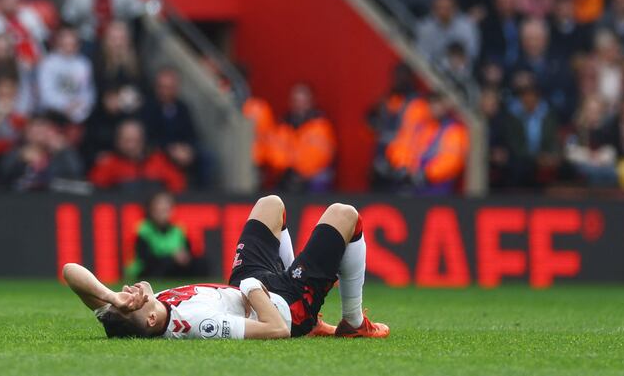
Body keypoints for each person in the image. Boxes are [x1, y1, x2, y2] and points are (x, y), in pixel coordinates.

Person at [63, 195, 390, 339]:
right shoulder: (194, 324)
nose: (128, 293)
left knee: (270, 205)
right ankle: (353, 321)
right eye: (131, 301)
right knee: (345, 215)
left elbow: (70, 271)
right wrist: (251, 288)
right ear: (150, 319)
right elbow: (275, 330)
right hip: (284, 307)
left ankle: (316, 314)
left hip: (249, 284)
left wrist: (111, 298)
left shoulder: (138, 314)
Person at [267, 83, 336, 192]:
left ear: (311, 101)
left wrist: (302, 170)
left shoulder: (320, 125)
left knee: (321, 178)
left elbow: (323, 156)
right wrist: (289, 167)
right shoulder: (283, 125)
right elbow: (275, 154)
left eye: (303, 100)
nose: (299, 104)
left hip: (311, 176)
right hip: (287, 175)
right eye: (296, 100)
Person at [88, 119, 185, 193]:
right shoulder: (109, 163)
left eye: (135, 140)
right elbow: (94, 189)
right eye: (126, 141)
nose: (131, 146)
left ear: (143, 140)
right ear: (117, 142)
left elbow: (178, 185)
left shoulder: (158, 160)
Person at [125, 191, 205, 280]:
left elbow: (187, 250)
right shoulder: (142, 229)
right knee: (164, 265)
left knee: (201, 263)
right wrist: (172, 257)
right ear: (151, 210)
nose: (162, 214)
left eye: (165, 210)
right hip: (147, 270)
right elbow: (145, 258)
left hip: (173, 267)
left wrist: (184, 256)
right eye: (159, 210)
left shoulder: (178, 229)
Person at [37, 27, 95, 124]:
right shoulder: (48, 63)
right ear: (58, 44)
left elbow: (89, 91)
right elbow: (45, 94)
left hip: (80, 113)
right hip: (53, 114)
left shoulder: (84, 64)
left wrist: (82, 104)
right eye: (65, 44)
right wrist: (64, 105)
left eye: (72, 44)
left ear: (78, 45)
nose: (68, 48)